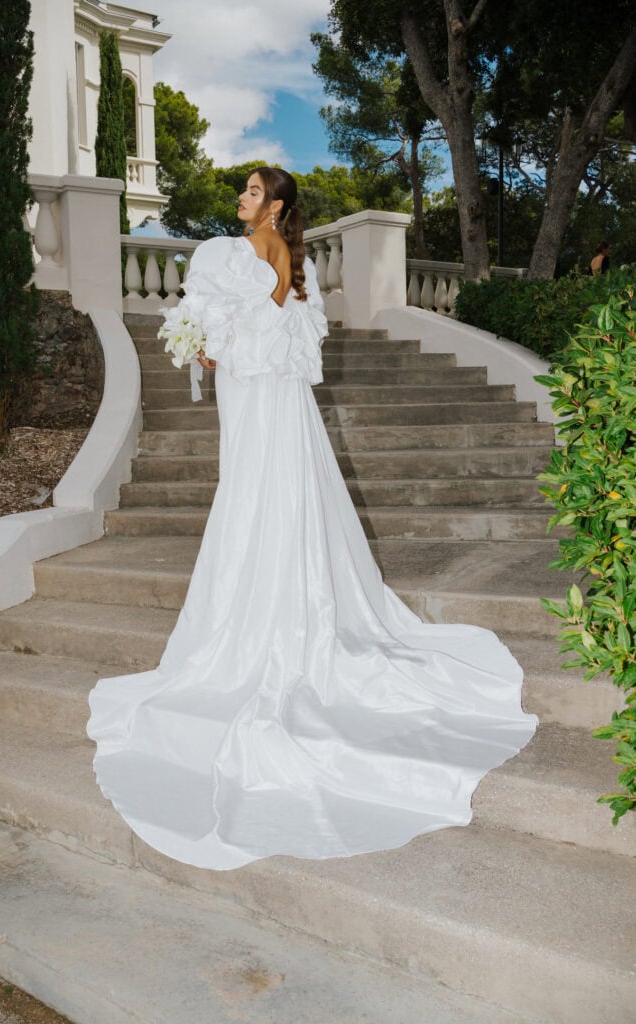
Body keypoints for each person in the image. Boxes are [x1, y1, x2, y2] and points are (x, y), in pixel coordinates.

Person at [87, 167, 537, 871]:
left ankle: (260, 625)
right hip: (264, 405)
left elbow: (252, 334)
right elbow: (265, 331)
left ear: (277, 206)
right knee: (262, 499)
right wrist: (208, 342)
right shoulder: (284, 261)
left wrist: (207, 343)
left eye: (253, 190)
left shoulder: (258, 250)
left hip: (260, 407)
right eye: (244, 189)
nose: (242, 198)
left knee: (255, 498)